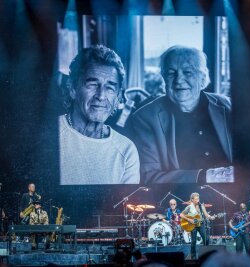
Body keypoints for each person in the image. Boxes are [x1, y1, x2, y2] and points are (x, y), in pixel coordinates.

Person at [124, 45, 233, 184]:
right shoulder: (145, 118)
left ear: (203, 78)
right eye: (171, 73)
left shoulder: (228, 107)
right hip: (179, 198)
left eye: (188, 72)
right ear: (163, 78)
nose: (179, 80)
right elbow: (149, 177)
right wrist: (206, 177)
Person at [59, 44, 140, 185]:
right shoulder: (47, 135)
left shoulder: (126, 150)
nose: (101, 96)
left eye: (110, 88)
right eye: (92, 84)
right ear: (72, 88)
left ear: (117, 96)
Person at [180, 192, 215, 259]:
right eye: (196, 199)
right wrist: (189, 219)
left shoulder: (201, 206)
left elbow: (206, 215)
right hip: (193, 226)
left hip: (201, 224)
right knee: (194, 241)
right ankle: (193, 256)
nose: (197, 200)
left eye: (198, 198)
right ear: (192, 200)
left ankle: (205, 253)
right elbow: (181, 215)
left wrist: (211, 217)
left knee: (206, 239)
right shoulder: (189, 207)